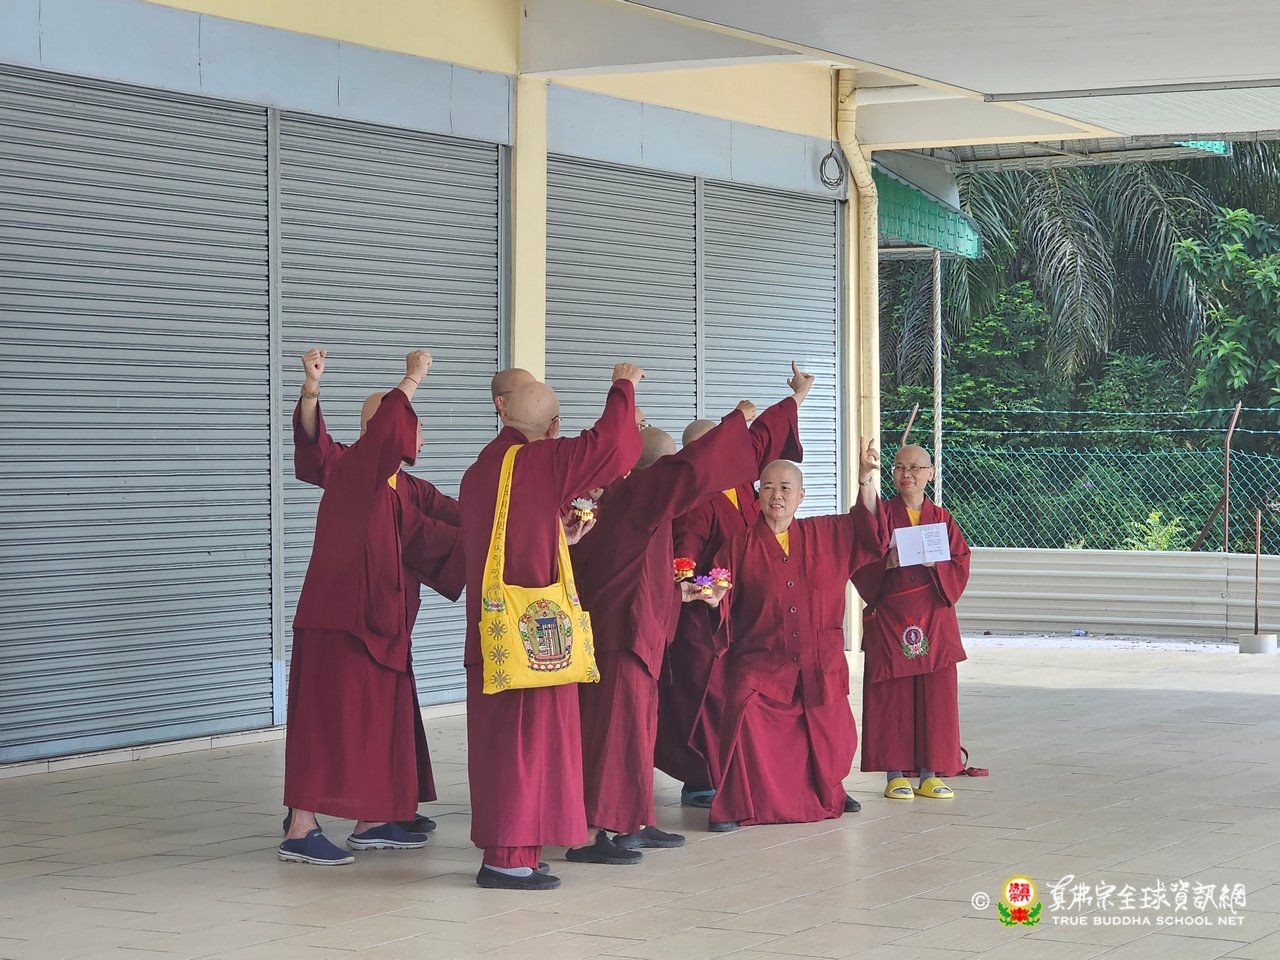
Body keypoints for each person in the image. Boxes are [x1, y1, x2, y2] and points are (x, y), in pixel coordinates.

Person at [571, 365, 812, 858]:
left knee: (638, 731)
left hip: (642, 627)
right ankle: (598, 832)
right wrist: (740, 422)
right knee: (615, 734)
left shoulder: (623, 498)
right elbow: (697, 471)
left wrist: (677, 593)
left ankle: (635, 820)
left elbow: (644, 567)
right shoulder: (637, 495)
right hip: (624, 633)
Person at [459, 364, 644, 891]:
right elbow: (613, 447)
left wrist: (557, 534)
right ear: (554, 427)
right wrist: (623, 387)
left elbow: (508, 534)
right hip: (532, 635)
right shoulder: (539, 459)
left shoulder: (481, 468)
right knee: (523, 747)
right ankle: (506, 859)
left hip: (496, 633)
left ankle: (522, 849)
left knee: (511, 747)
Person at [281, 350, 463, 865]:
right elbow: (312, 444)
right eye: (412, 425)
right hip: (339, 620)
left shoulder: (409, 488)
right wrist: (411, 377)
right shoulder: (351, 468)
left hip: (384, 624)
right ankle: (300, 829)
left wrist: (540, 522)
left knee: (376, 721)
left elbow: (462, 523)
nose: (419, 437)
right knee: (325, 720)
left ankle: (371, 820)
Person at [706, 443, 881, 831]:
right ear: (758, 495)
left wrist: (865, 478)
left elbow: (868, 528)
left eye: (786, 488)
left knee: (831, 732)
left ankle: (829, 788)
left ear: (801, 496)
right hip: (762, 659)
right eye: (768, 487)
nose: (777, 496)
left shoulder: (827, 533)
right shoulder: (740, 544)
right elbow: (719, 586)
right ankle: (740, 802)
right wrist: (715, 598)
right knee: (744, 712)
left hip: (818, 658)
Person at [853, 444, 971, 802]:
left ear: (930, 474)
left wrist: (939, 564)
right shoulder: (884, 513)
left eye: (916, 468)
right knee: (893, 698)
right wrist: (886, 563)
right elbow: (861, 547)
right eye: (901, 467)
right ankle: (894, 773)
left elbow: (961, 561)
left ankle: (930, 773)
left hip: (934, 616)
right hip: (892, 616)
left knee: (935, 697)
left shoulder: (942, 518)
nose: (908, 474)